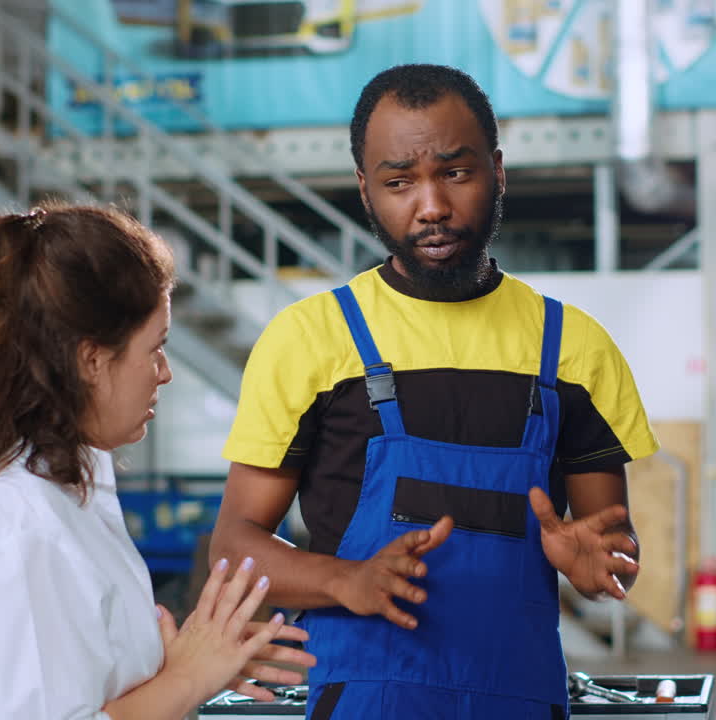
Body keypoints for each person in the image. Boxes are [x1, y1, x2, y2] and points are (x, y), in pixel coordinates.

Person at [210, 64, 659, 719]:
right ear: (366, 190)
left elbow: (608, 554)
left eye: (456, 172)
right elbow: (234, 544)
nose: (432, 207)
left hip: (521, 698)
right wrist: (347, 580)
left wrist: (597, 566)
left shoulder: (574, 349)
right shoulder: (310, 340)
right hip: (362, 699)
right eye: (399, 182)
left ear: (497, 171)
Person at [0, 204, 316, 720]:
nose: (163, 374)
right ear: (91, 360)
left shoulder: (66, 496)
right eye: (155, 348)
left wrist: (184, 662)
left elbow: (85, 686)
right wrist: (187, 677)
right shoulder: (18, 524)